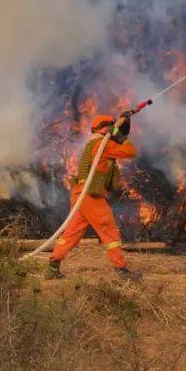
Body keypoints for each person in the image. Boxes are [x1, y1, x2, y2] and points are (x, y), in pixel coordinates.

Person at [46, 111, 142, 281]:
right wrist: (120, 137)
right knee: (109, 229)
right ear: (106, 129)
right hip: (90, 194)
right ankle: (122, 270)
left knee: (72, 233)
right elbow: (130, 151)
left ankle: (53, 268)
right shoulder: (104, 145)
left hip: (80, 193)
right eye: (111, 127)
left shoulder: (94, 143)